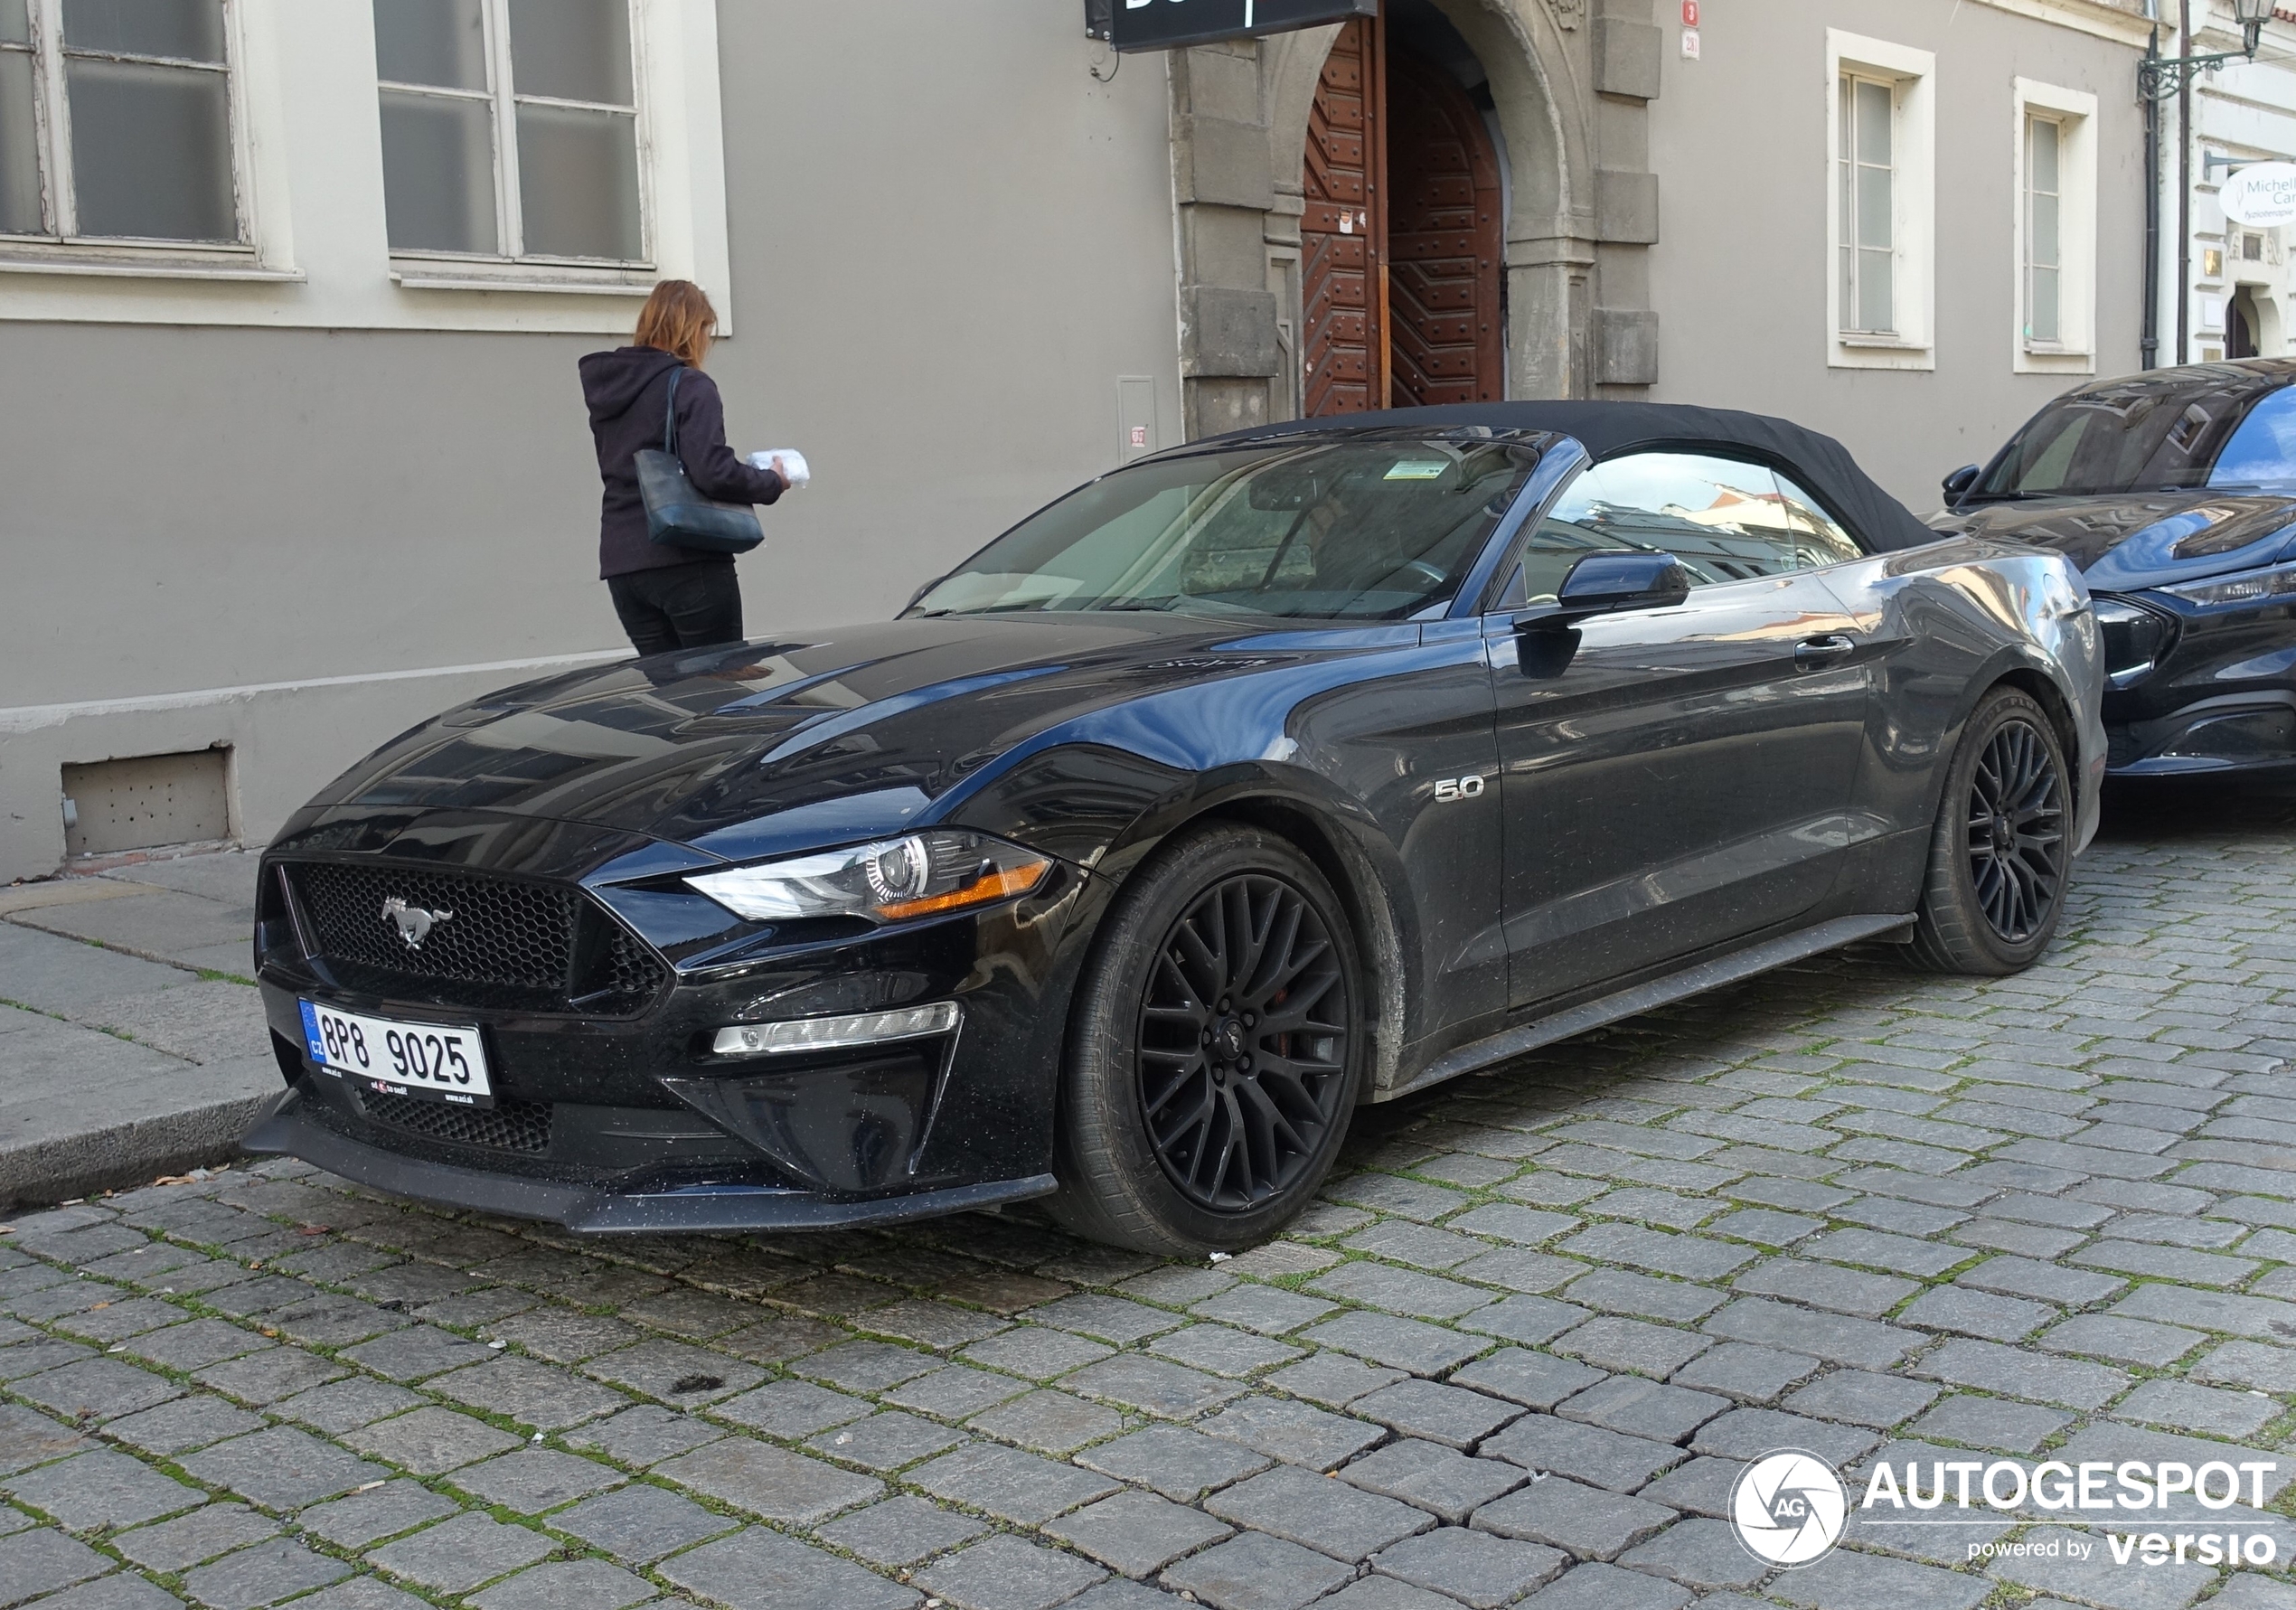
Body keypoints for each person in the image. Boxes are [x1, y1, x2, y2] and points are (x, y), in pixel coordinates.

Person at [580, 280, 787, 655]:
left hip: (623, 566)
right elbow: (712, 472)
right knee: (719, 685)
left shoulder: (608, 390)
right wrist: (771, 481)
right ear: (692, 329)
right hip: (687, 560)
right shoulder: (689, 384)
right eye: (707, 330)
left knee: (672, 695)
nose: (708, 342)